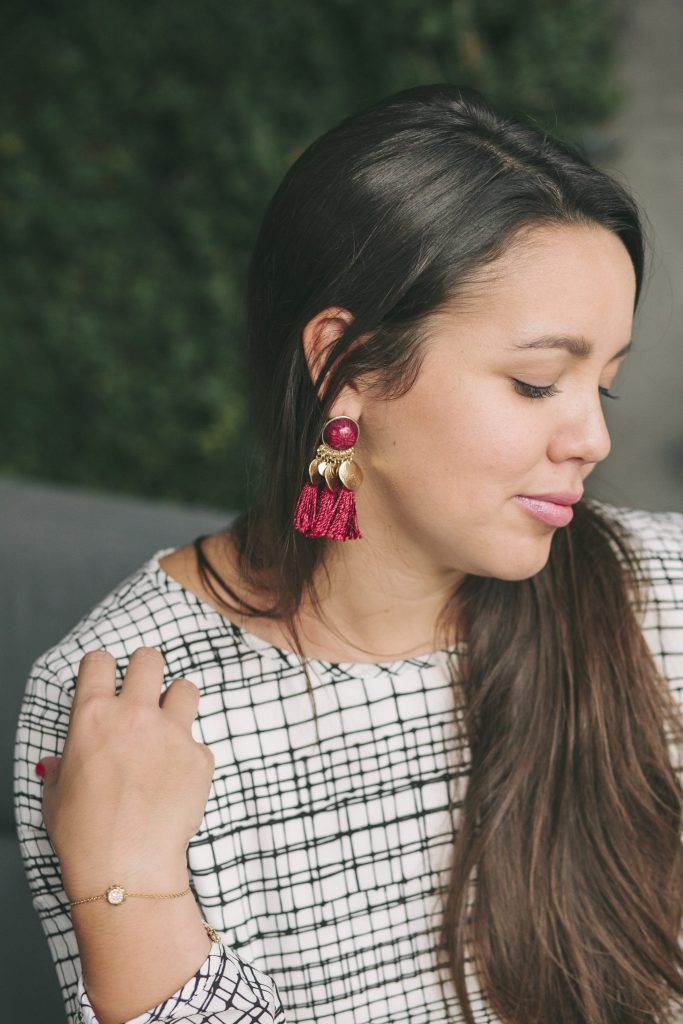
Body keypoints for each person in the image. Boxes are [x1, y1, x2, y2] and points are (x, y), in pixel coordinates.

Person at [13, 82, 683, 1024]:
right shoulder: (133, 708)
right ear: (348, 366)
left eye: (601, 388)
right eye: (537, 384)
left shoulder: (663, 594)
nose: (591, 440)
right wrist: (128, 885)